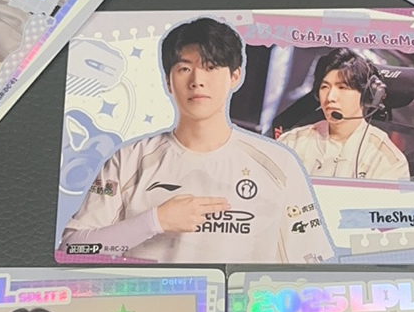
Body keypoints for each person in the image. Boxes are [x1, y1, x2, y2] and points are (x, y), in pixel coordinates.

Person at [59, 17, 335, 263]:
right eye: (184, 69)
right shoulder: (129, 160)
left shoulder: (279, 163)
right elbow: (73, 248)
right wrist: (156, 221)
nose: (197, 80)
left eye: (210, 67)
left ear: (235, 77)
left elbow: (311, 263)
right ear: (168, 81)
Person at [278, 48, 410, 181]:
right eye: (325, 87)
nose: (330, 97)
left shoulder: (386, 159)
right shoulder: (290, 143)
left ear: (365, 96)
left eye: (342, 87)